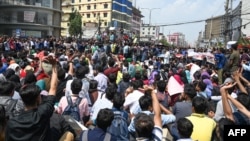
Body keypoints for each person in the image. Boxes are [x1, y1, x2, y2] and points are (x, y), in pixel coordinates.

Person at [5, 56, 71, 141]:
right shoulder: (43, 113)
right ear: (38, 98)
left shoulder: (12, 123)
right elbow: (53, 88)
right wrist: (54, 66)